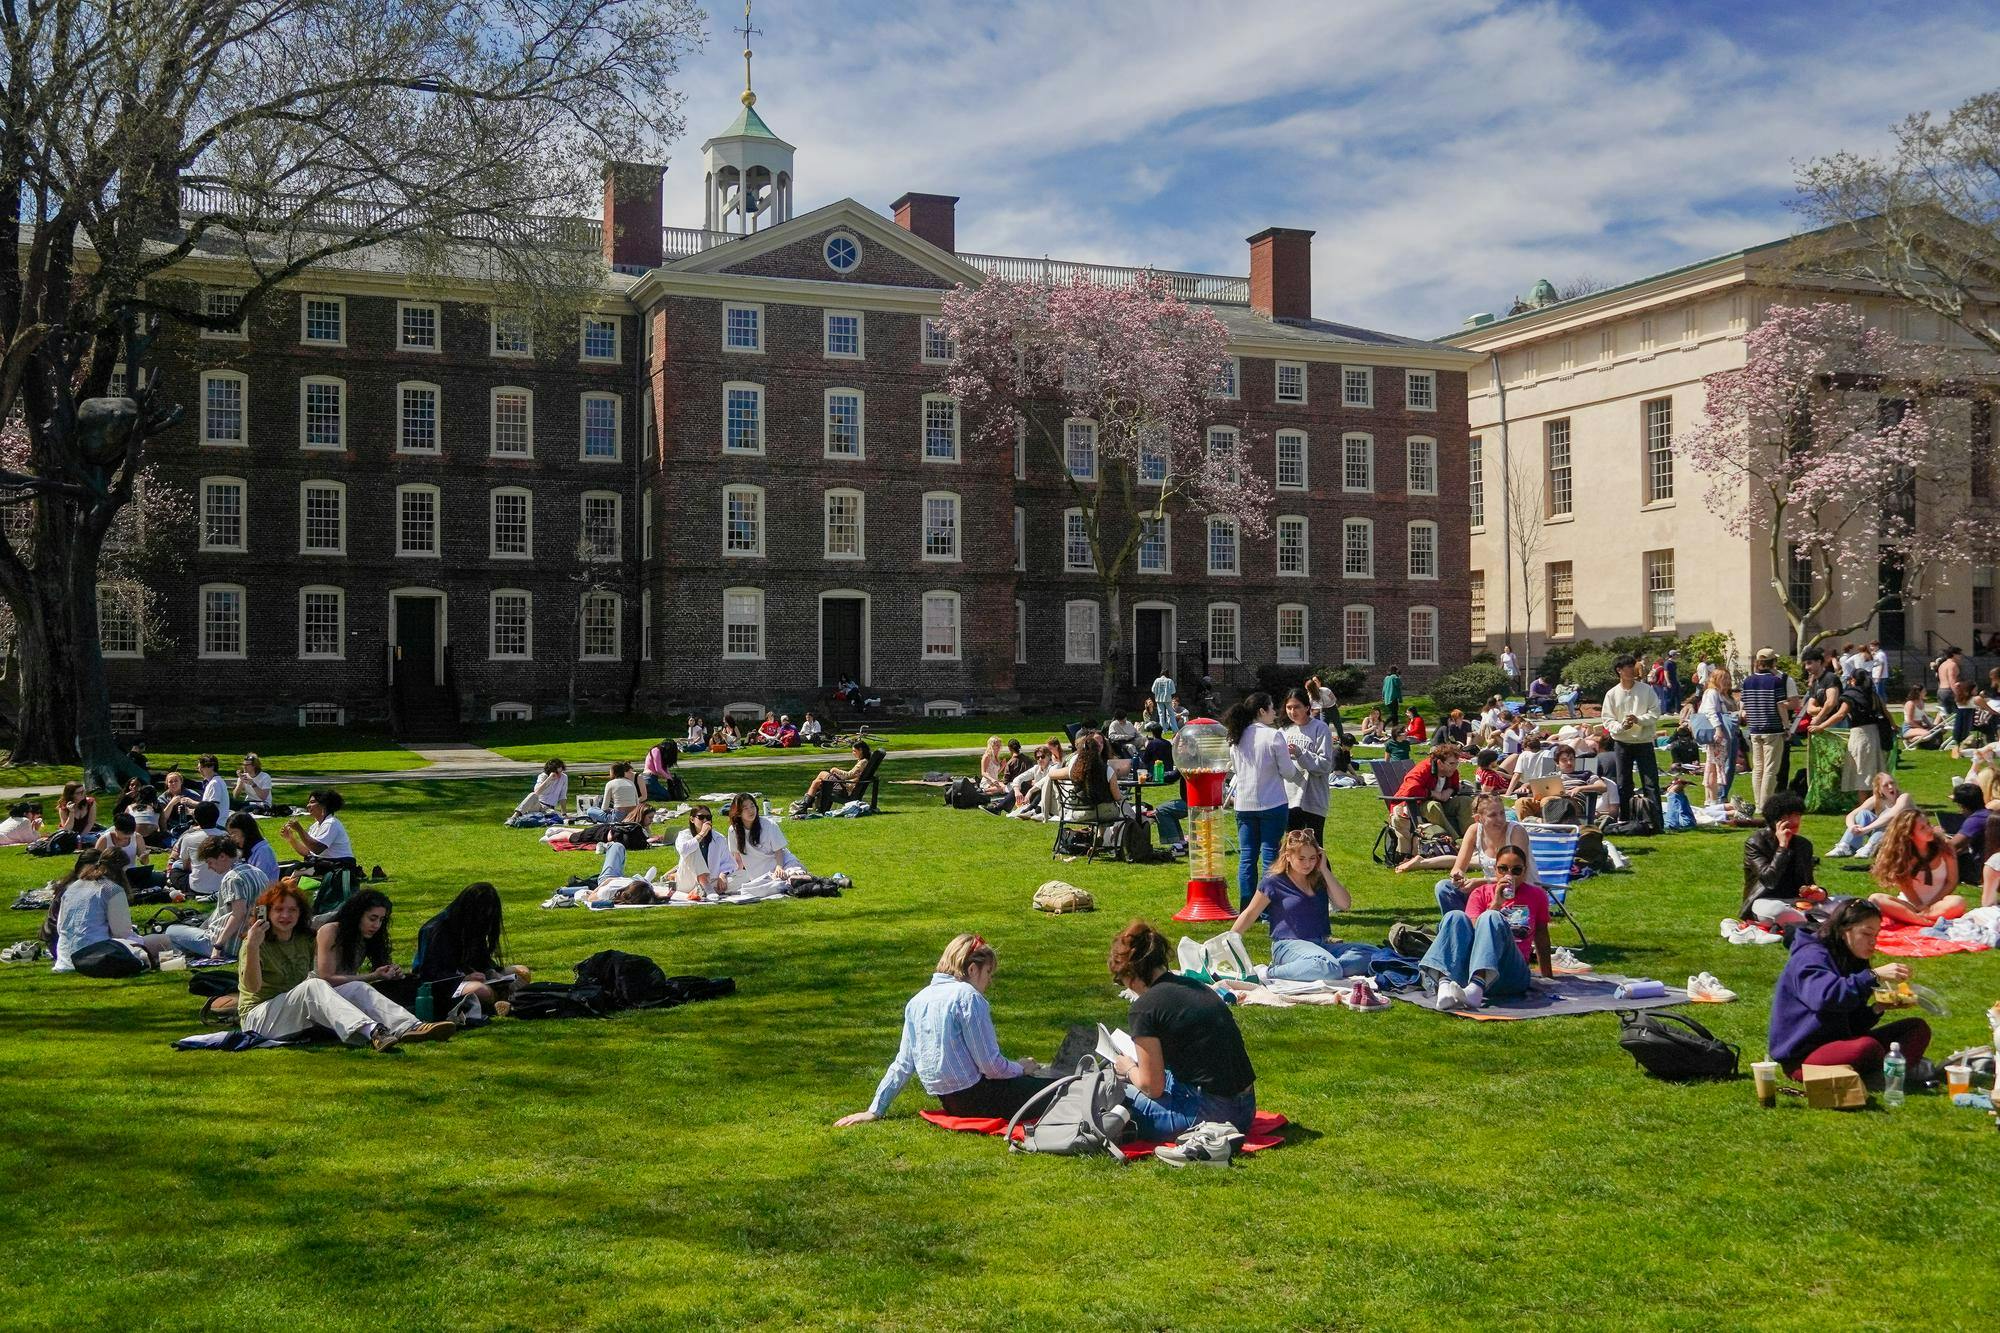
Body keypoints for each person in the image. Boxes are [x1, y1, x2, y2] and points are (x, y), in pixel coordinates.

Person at [837, 934, 1051, 1126]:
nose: (990, 980)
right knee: (1061, 1087)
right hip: (981, 1100)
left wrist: (875, 1109)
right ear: (972, 969)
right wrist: (1021, 1068)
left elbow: (903, 1064)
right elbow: (991, 1066)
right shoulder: (968, 997)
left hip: (952, 1104)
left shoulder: (917, 1001)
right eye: (988, 972)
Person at [241, 879, 451, 1049]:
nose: (285, 916)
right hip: (258, 1019)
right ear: (266, 912)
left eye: (292, 910)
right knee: (314, 985)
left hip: (291, 1011)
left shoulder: (303, 939)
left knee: (355, 987)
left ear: (300, 913)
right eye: (278, 910)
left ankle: (410, 1026)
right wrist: (252, 947)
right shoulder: (254, 943)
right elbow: (252, 988)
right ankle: (374, 1032)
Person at [1106, 920, 1257, 1138]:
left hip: (1209, 1114)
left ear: (1132, 973)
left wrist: (1128, 1068)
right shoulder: (1196, 987)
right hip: (1245, 1108)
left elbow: (1152, 1087)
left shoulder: (1145, 1008)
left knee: (1111, 1092)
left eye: (1121, 980)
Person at [1768, 897, 1930, 1081]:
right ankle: (1890, 1073)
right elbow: (1825, 998)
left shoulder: (1853, 959)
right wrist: (1873, 975)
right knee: (1867, 1048)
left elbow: (1851, 1024)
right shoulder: (1810, 955)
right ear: (1845, 930)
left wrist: (1878, 1008)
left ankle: (1890, 1074)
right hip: (1803, 1057)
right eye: (1867, 934)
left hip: (1838, 1043)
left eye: (1876, 935)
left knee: (1917, 1028)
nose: (1873, 942)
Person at [1417, 845, 1552, 1010]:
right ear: (1495, 870)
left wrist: (1548, 977)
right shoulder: (1480, 893)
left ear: (1525, 871)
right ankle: (1445, 986)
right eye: (1503, 869)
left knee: (1491, 917)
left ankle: (1475, 990)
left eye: (1516, 870)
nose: (1509, 875)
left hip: (1511, 973)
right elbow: (1471, 935)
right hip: (1473, 970)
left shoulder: (1537, 895)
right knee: (1454, 916)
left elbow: (1541, 934)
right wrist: (1496, 903)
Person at [1229, 829, 1363, 980]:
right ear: (1288, 857)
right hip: (1288, 945)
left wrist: (1324, 870)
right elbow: (1250, 913)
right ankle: (1269, 973)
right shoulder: (1273, 882)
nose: (1308, 864)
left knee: (1372, 955)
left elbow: (1344, 904)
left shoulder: (1319, 880)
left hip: (1322, 945)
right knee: (1328, 966)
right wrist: (1229, 941)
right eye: (1302, 858)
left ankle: (1313, 969)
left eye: (1313, 858)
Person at [1223, 693, 1300, 909]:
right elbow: (1288, 772)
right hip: (1272, 803)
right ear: (1261, 711)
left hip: (1244, 804)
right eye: (1272, 707)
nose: (1275, 712)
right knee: (1269, 857)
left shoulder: (1237, 737)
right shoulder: (1274, 736)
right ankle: (1267, 907)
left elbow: (1237, 771)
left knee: (1247, 857)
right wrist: (1293, 761)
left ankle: (1247, 906)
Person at [47, 850, 176, 974]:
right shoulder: (112, 890)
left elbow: (61, 927)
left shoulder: (72, 887)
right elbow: (121, 933)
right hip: (98, 954)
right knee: (164, 940)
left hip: (65, 958)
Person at [413, 882, 532, 1009]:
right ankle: (502, 1000)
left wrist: (491, 972)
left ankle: (502, 999)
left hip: (473, 976)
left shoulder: (474, 926)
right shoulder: (435, 930)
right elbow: (429, 974)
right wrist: (465, 977)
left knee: (522, 972)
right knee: (483, 991)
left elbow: (480, 959)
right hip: (444, 985)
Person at [164, 835, 268, 961]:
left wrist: (218, 946)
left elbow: (238, 914)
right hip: (252, 941)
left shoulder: (233, 878)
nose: (209, 867)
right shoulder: (258, 873)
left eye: (210, 862)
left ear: (222, 856)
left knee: (171, 931)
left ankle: (184, 957)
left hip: (228, 946)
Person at [1432, 793, 1533, 912]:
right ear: (1478, 818)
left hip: (1518, 891)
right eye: (1493, 815)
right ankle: (1462, 925)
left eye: (1502, 813)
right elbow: (1458, 868)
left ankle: (1469, 925)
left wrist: (1482, 882)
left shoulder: (1516, 832)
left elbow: (1518, 877)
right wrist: (1457, 877)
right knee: (1444, 887)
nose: (1500, 819)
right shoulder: (1474, 831)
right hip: (1489, 891)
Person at [1739, 791, 1824, 928]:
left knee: (1844, 903)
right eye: (1788, 816)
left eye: (1797, 815)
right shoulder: (1756, 842)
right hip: (1765, 901)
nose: (1794, 821)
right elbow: (1769, 880)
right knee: (1777, 910)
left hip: (1795, 902)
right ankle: (1818, 921)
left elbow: (1808, 883)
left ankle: (1807, 920)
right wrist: (1783, 847)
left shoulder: (1804, 845)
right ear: (1775, 821)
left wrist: (1820, 893)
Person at [1868, 809, 1966, 925]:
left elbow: (1952, 881)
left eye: (1928, 824)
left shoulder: (1945, 847)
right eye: (1922, 828)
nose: (1929, 829)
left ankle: (1915, 918)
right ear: (1909, 834)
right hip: (1910, 904)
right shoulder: (1901, 854)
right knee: (1875, 899)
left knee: (1958, 902)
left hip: (1938, 903)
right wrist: (1919, 906)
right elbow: (1906, 886)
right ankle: (1923, 921)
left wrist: (1929, 906)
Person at [1602, 654, 1662, 828]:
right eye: (1628, 667)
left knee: (1650, 782)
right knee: (1624, 783)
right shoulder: (1612, 694)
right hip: (1622, 743)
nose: (1632, 670)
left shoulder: (1646, 690)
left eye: (1633, 666)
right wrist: (1622, 726)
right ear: (1619, 670)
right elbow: (1607, 719)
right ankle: (1627, 819)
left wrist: (1639, 720)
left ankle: (1656, 821)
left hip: (1643, 742)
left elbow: (1654, 712)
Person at [1810, 667, 1888, 793]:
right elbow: (1885, 711)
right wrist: (1895, 726)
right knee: (1875, 772)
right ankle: (1875, 805)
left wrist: (1821, 726)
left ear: (1852, 680)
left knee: (1862, 774)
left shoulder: (1851, 695)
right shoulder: (1873, 694)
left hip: (1860, 736)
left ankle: (1864, 808)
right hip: (1875, 734)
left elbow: (1840, 714)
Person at [1387, 742, 1468, 859]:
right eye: (1451, 763)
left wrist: (1449, 791)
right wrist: (1432, 793)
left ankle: (1472, 839)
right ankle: (1455, 842)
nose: (1455, 767)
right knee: (1433, 805)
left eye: (1457, 763)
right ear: (1440, 763)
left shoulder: (1451, 771)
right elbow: (1410, 790)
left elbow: (1455, 784)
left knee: (1464, 801)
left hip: (1442, 804)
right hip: (1414, 805)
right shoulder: (1423, 769)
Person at [314, 888, 406, 990]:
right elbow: (326, 978)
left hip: (346, 991)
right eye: (372, 919)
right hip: (319, 992)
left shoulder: (368, 936)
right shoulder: (330, 931)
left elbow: (381, 965)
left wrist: (391, 972)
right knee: (360, 987)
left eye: (381, 920)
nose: (377, 925)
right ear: (357, 915)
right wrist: (372, 976)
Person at [1277, 689, 1334, 842]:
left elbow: (1325, 765)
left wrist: (1300, 753)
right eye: (1289, 707)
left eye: (1296, 707)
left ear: (1307, 707)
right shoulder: (1283, 731)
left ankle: (1323, 868)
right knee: (1292, 847)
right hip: (1289, 797)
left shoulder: (1320, 728)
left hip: (1313, 797)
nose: (1292, 711)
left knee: (1314, 847)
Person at [725, 793, 806, 887]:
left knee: (794, 877)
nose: (751, 811)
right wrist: (738, 874)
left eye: (752, 806)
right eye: (746, 808)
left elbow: (778, 850)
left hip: (782, 864)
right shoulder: (733, 830)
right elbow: (737, 856)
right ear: (738, 813)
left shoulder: (769, 825)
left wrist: (779, 867)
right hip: (758, 873)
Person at [1828, 771, 1912, 859]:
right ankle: (1846, 846)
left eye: (1892, 783)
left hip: (1905, 835)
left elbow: (1891, 815)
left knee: (1887, 817)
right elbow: (1852, 814)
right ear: (1879, 790)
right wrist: (1852, 827)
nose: (1890, 787)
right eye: (1885, 785)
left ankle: (1870, 847)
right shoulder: (1877, 799)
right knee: (1863, 814)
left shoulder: (1904, 797)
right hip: (1884, 834)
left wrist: (1865, 829)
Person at [279, 788, 356, 879]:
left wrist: (299, 830)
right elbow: (307, 853)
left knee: (289, 870)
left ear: (324, 805)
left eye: (312, 802)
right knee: (280, 867)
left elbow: (317, 849)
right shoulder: (315, 826)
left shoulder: (331, 823)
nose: (308, 805)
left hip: (338, 866)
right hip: (323, 864)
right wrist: (291, 839)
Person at [1695, 666, 1742, 805]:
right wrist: (1718, 729)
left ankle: (1713, 798)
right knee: (1716, 766)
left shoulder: (1727, 696)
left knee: (1718, 766)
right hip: (1719, 736)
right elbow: (1710, 712)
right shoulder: (1712, 693)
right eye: (1723, 678)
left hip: (1730, 735)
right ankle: (1715, 798)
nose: (1727, 681)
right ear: (1715, 679)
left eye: (1728, 678)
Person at [671, 805, 734, 900]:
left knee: (743, 876)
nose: (705, 820)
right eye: (701, 817)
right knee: (692, 847)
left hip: (712, 880)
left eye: (708, 818)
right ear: (692, 819)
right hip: (688, 880)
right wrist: (701, 834)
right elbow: (683, 850)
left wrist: (723, 874)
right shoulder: (684, 835)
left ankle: (703, 890)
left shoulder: (719, 838)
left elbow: (728, 861)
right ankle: (707, 888)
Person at [169, 801, 229, 897]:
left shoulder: (189, 837)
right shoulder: (226, 836)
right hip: (222, 885)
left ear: (195, 818)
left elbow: (186, 866)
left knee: (175, 868)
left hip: (198, 887)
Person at [94, 812, 163, 891]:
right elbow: (95, 862)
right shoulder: (104, 839)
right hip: (111, 876)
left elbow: (145, 863)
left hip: (131, 875)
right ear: (116, 829)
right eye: (124, 835)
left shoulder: (137, 837)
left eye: (129, 834)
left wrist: (144, 857)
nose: (127, 837)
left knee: (159, 878)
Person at [800, 740, 872, 814]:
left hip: (846, 789)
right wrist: (838, 776)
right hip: (848, 786)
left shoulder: (863, 762)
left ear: (860, 750)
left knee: (821, 774)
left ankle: (804, 805)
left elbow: (849, 775)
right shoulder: (865, 761)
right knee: (816, 782)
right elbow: (851, 776)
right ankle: (805, 805)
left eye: (854, 751)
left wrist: (836, 770)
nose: (853, 753)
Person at [642, 739, 681, 803]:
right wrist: (669, 778)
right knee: (667, 796)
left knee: (667, 795)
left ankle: (647, 794)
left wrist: (670, 776)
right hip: (648, 779)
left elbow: (665, 769)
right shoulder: (656, 750)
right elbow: (658, 769)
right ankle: (646, 796)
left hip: (652, 779)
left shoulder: (661, 753)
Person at [195, 754, 231, 822]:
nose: (199, 770)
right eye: (198, 768)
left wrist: (192, 803)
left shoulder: (215, 783)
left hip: (216, 826)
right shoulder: (216, 781)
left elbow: (212, 809)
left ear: (211, 766)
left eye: (202, 767)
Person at [1150, 667, 1178, 736]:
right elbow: (1174, 691)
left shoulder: (1157, 680)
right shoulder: (1169, 680)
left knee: (1161, 715)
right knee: (1171, 714)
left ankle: (1163, 730)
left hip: (1159, 699)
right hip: (1168, 699)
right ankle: (1175, 729)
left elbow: (1153, 690)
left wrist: (1158, 693)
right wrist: (1168, 693)